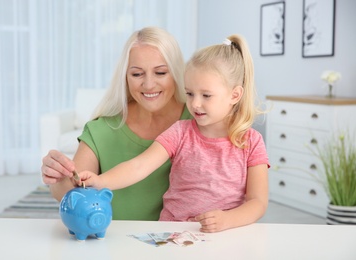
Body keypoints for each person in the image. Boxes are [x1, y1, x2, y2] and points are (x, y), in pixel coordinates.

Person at [76, 35, 270, 233]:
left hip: (225, 234)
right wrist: (101, 181)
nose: (195, 104)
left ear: (235, 95)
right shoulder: (179, 132)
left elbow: (258, 202)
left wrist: (227, 220)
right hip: (173, 234)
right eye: (190, 93)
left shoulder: (251, 142)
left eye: (206, 95)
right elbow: (139, 166)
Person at [41, 27, 192, 220]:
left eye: (161, 72)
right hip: (116, 244)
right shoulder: (103, 129)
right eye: (137, 74)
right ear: (126, 77)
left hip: (183, 245)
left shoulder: (200, 122)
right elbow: (70, 193)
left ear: (177, 72)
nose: (148, 84)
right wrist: (59, 177)